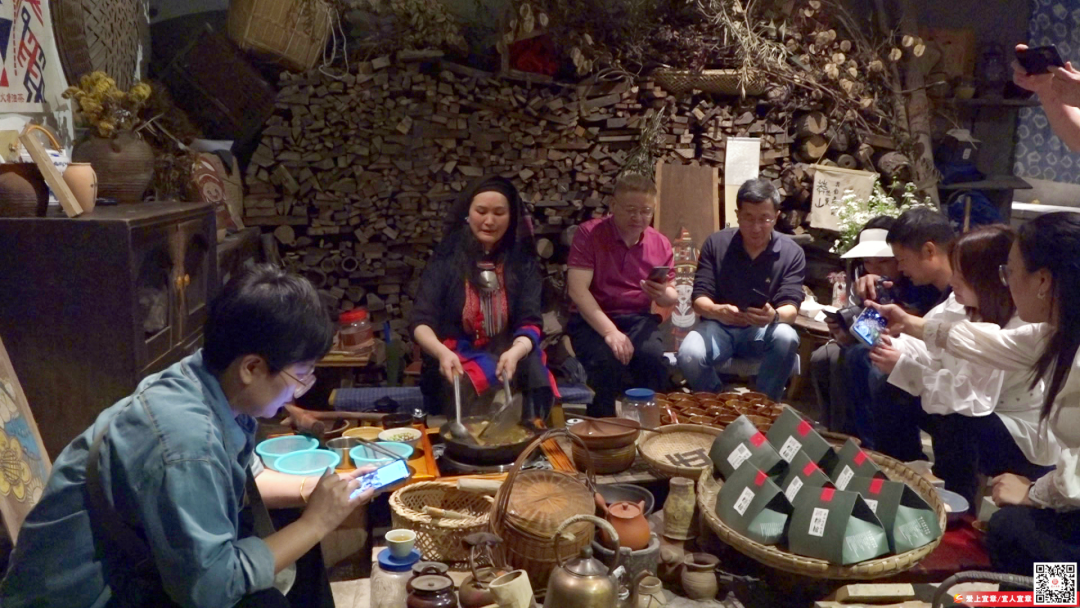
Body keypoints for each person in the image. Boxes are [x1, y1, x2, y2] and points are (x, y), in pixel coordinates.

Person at [0, 265, 374, 607]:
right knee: (268, 596)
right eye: (300, 376)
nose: (300, 390)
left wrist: (323, 494)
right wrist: (316, 522)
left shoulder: (210, 381)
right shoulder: (187, 440)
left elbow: (244, 481)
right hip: (87, 596)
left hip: (139, 566)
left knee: (296, 537)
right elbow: (210, 589)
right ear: (252, 367)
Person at [871, 212, 1080, 575]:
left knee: (1011, 531)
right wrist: (910, 325)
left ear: (1043, 280)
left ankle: (1057, 597)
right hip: (1059, 476)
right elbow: (990, 344)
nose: (1006, 281)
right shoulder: (1056, 330)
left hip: (1043, 458)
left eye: (1010, 271)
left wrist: (1033, 492)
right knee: (1010, 530)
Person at [868, 225, 1057, 506]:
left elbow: (971, 398)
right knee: (890, 384)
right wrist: (894, 345)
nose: (953, 279)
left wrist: (906, 364)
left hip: (1017, 431)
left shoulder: (1028, 324)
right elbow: (930, 344)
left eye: (962, 272)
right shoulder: (959, 303)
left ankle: (955, 508)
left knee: (956, 422)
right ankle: (900, 474)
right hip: (975, 408)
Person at [411, 176, 556, 422]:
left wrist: (515, 352)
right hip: (455, 352)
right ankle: (468, 438)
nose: (489, 221)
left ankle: (533, 433)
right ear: (468, 214)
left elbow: (530, 321)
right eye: (481, 211)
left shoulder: (523, 263)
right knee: (462, 379)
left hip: (509, 349)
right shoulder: (446, 260)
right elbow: (421, 322)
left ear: (511, 218)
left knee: (533, 371)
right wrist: (441, 352)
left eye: (499, 213)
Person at [809, 216, 940, 436]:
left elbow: (914, 326)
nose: (875, 269)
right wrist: (846, 332)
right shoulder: (867, 283)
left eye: (883, 261)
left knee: (860, 358)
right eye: (868, 262)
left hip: (915, 353)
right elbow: (871, 331)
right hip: (877, 344)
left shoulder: (921, 282)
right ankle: (838, 434)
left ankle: (871, 442)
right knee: (823, 357)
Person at [677, 178, 805, 401]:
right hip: (719, 326)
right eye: (748, 218)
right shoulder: (717, 244)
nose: (756, 228)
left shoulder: (791, 252)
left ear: (776, 216)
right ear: (737, 215)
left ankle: (764, 405)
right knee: (689, 354)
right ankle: (718, 403)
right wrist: (717, 311)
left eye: (764, 219)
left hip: (763, 330)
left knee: (787, 336)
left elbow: (791, 309)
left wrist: (773, 316)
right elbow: (699, 299)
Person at [844, 207, 954, 458]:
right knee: (853, 357)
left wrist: (902, 355)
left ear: (928, 251)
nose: (899, 267)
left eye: (895, 260)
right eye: (868, 262)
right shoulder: (885, 285)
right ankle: (865, 446)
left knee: (882, 376)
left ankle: (895, 459)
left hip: (956, 393)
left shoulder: (955, 291)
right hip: (931, 371)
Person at [566, 173, 677, 417]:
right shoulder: (589, 234)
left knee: (652, 358)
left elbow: (670, 296)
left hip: (637, 317)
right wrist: (610, 332)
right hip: (593, 318)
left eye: (645, 211)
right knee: (605, 361)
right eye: (631, 210)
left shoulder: (660, 243)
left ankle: (648, 424)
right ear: (613, 205)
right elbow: (577, 290)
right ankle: (604, 426)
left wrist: (662, 293)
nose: (638, 218)